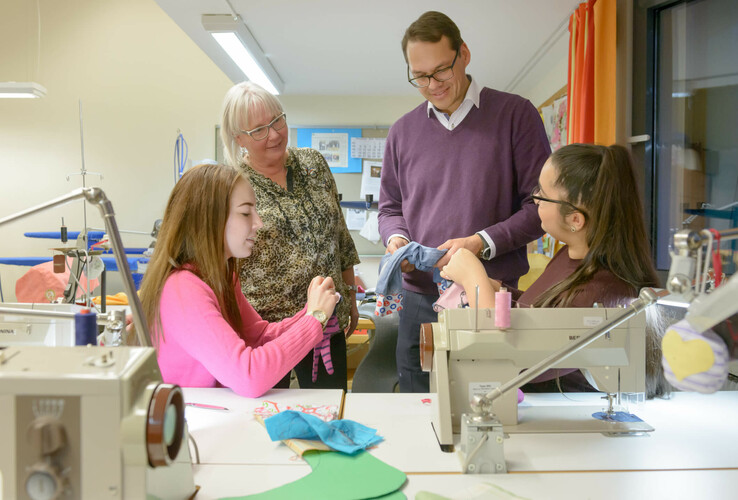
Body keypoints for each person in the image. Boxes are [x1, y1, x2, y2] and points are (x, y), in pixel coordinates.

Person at [378, 11, 551, 392]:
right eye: (419, 76)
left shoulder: (515, 115)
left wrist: (479, 244)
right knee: (415, 408)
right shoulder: (402, 132)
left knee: (488, 405)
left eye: (441, 71)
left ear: (465, 54)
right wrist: (396, 241)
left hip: (487, 295)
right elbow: (390, 208)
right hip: (417, 299)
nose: (432, 84)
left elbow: (541, 207)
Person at [440, 143, 662, 393]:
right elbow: (542, 311)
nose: (534, 199)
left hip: (558, 412)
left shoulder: (600, 293)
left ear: (575, 220)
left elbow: (514, 358)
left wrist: (475, 279)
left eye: (543, 195)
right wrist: (500, 291)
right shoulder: (571, 255)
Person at [138, 163, 340, 398]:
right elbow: (249, 376)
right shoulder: (183, 289)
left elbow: (258, 336)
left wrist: (310, 312)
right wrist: (315, 320)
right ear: (209, 219)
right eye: (246, 213)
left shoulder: (220, 277)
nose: (259, 223)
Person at [220, 82, 360, 391]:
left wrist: (349, 296)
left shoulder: (313, 164)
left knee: (327, 412)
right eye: (258, 130)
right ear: (238, 137)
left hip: (326, 322)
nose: (274, 135)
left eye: (276, 121)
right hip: (266, 334)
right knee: (265, 419)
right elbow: (224, 262)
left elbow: (340, 237)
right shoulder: (233, 186)